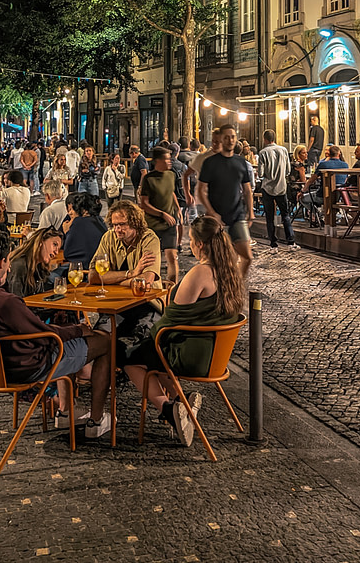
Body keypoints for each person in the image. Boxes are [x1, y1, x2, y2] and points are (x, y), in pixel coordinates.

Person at [0, 228, 113, 437]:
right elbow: (44, 333)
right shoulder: (6, 303)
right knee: (105, 341)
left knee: (67, 330)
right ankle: (96, 420)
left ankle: (66, 412)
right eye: (8, 261)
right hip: (30, 365)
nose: (9, 268)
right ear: (2, 263)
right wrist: (79, 330)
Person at [124, 216, 245, 446]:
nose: (188, 244)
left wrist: (150, 333)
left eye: (190, 239)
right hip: (215, 354)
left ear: (200, 244)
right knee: (152, 357)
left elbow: (171, 319)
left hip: (193, 355)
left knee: (130, 358)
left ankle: (169, 410)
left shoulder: (200, 273)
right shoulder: (231, 271)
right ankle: (182, 401)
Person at [196, 124, 255, 278]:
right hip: (217, 219)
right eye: (227, 137)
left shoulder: (241, 162)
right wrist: (211, 212)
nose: (230, 140)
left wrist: (251, 212)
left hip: (238, 215)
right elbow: (201, 189)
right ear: (222, 139)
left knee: (247, 256)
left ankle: (237, 283)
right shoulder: (210, 163)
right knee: (218, 259)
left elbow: (247, 190)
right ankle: (217, 287)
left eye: (233, 137)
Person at [88, 201, 161, 287]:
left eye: (122, 224)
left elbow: (145, 281)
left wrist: (115, 282)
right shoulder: (109, 237)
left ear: (135, 223)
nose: (117, 230)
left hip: (147, 296)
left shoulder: (149, 239)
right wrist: (131, 273)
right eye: (115, 225)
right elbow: (93, 276)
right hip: (115, 295)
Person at [139, 146, 181, 285]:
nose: (170, 161)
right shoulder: (148, 179)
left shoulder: (171, 175)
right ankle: (150, 286)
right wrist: (162, 214)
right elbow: (144, 203)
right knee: (151, 259)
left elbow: (171, 192)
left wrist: (177, 208)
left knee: (172, 257)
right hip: (152, 225)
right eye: (167, 159)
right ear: (158, 161)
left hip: (169, 224)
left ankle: (172, 289)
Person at [258, 129, 295, 252]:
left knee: (269, 216)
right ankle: (291, 241)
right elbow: (288, 170)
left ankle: (273, 244)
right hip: (281, 187)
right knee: (285, 214)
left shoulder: (263, 153)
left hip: (267, 187)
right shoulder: (283, 150)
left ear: (265, 139)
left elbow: (261, 173)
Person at [6, 227, 64, 297]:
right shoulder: (19, 265)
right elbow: (15, 302)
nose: (56, 252)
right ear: (41, 241)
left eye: (58, 249)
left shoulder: (39, 267)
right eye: (55, 244)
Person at [63, 193, 108, 268]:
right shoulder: (100, 221)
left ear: (84, 211)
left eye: (74, 209)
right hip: (100, 266)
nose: (71, 212)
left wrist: (67, 232)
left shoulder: (78, 222)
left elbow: (67, 254)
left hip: (84, 269)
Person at [303, 145, 349, 211]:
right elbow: (345, 180)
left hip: (323, 195)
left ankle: (317, 213)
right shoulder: (345, 165)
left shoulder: (323, 164)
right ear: (339, 154)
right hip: (338, 196)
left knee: (302, 198)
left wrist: (302, 191)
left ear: (329, 154)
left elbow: (311, 180)